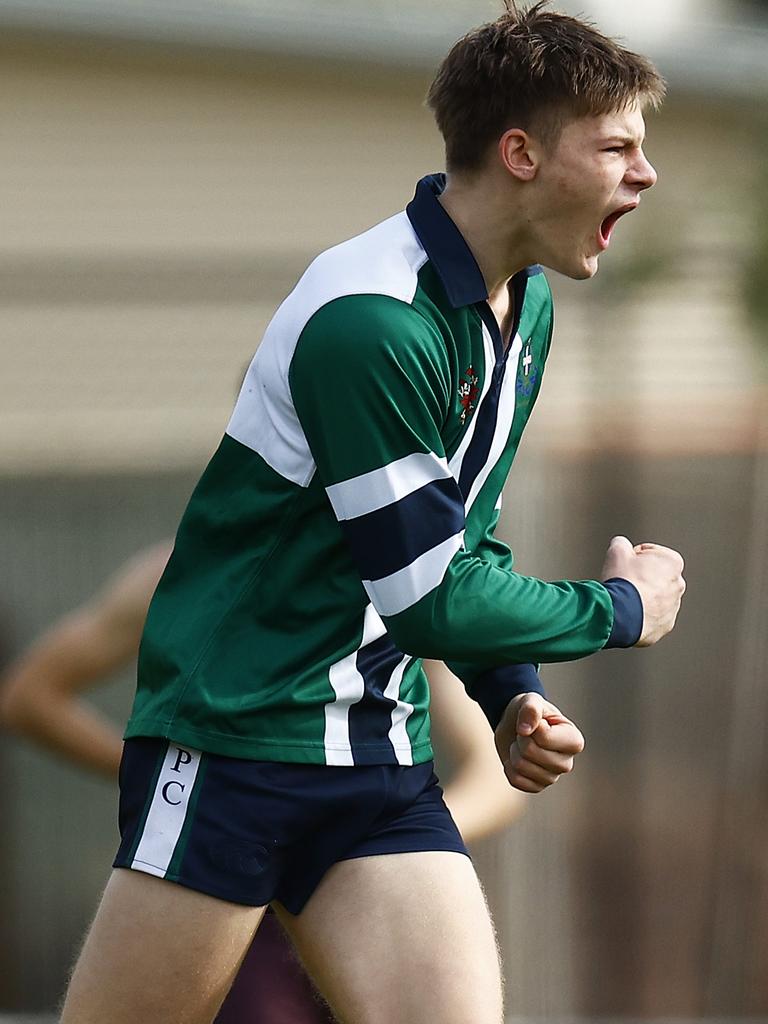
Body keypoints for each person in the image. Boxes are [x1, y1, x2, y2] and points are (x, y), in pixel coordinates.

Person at [57, 3, 686, 1022]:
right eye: (617, 145)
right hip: (238, 742)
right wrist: (622, 605)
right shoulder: (370, 322)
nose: (645, 173)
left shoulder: (520, 305)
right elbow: (432, 596)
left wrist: (508, 691)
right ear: (520, 153)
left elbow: (458, 535)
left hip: (379, 757)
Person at [0, 543, 525, 1022]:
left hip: (357, 875)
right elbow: (31, 696)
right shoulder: (183, 573)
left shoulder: (399, 581)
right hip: (226, 876)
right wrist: (183, 786)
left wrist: (382, 840)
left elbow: (492, 773)